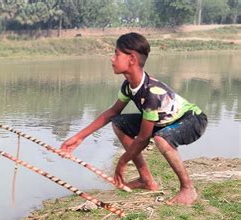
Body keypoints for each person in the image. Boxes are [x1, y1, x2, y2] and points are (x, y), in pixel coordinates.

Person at [60, 32, 207, 205]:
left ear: (131, 59)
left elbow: (144, 138)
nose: (112, 59)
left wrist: (122, 162)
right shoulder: (129, 86)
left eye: (116, 54)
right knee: (119, 123)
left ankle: (188, 189)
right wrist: (78, 138)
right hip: (164, 122)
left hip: (192, 120)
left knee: (162, 138)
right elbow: (112, 112)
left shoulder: (152, 93)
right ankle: (146, 180)